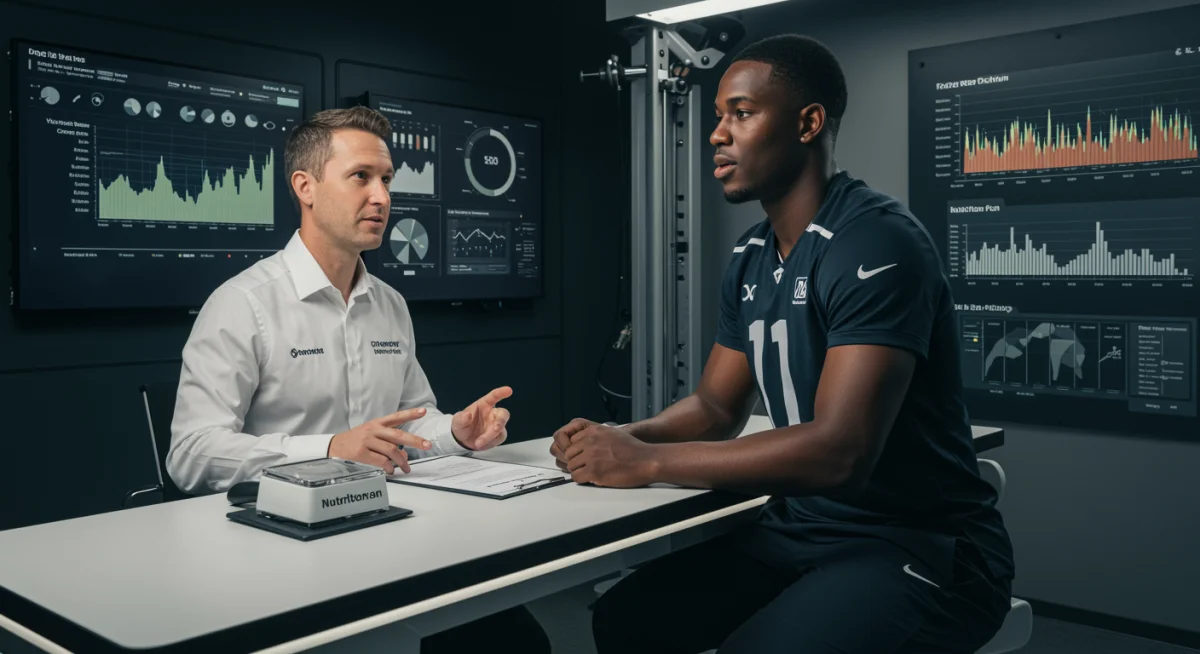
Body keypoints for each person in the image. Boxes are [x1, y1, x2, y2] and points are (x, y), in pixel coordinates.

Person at [551, 35, 1015, 653]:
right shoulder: (749, 260)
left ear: (808, 123)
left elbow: (838, 454)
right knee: (627, 622)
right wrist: (620, 440)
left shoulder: (876, 242)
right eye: (719, 116)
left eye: (741, 114)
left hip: (917, 543)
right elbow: (717, 411)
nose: (718, 133)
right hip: (799, 528)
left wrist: (646, 463)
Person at [168, 106, 550, 654]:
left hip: (387, 532)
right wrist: (329, 450)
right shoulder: (242, 305)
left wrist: (457, 433)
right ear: (305, 186)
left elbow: (412, 421)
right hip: (280, 559)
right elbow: (191, 454)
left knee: (517, 644)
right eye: (360, 178)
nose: (382, 197)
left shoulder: (389, 304)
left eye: (387, 180)